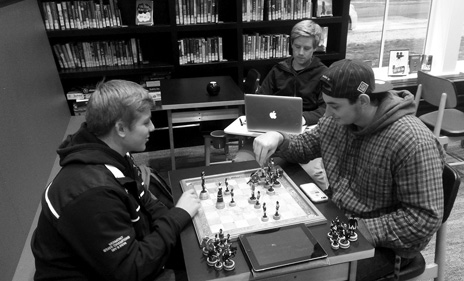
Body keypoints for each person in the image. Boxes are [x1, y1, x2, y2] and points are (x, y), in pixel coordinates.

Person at [252, 59, 446, 280]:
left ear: (363, 100)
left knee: (302, 276)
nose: (328, 113)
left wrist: (359, 230)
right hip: (338, 219)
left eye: (334, 106)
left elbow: (424, 218)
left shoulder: (412, 141)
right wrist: (279, 137)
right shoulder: (338, 119)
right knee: (273, 255)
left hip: (386, 248)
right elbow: (305, 146)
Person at [31, 80, 201, 281]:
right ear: (120, 128)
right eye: (146, 122)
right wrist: (177, 217)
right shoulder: (93, 194)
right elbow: (130, 270)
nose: (153, 128)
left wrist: (175, 218)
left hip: (119, 259)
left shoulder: (116, 154)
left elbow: (145, 199)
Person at [235, 19, 328, 189]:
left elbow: (325, 110)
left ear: (315, 48)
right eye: (297, 46)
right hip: (270, 131)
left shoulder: (323, 74)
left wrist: (301, 118)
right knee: (241, 162)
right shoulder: (278, 69)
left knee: (313, 175)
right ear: (291, 44)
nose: (300, 52)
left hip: (305, 136)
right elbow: (261, 100)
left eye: (307, 48)